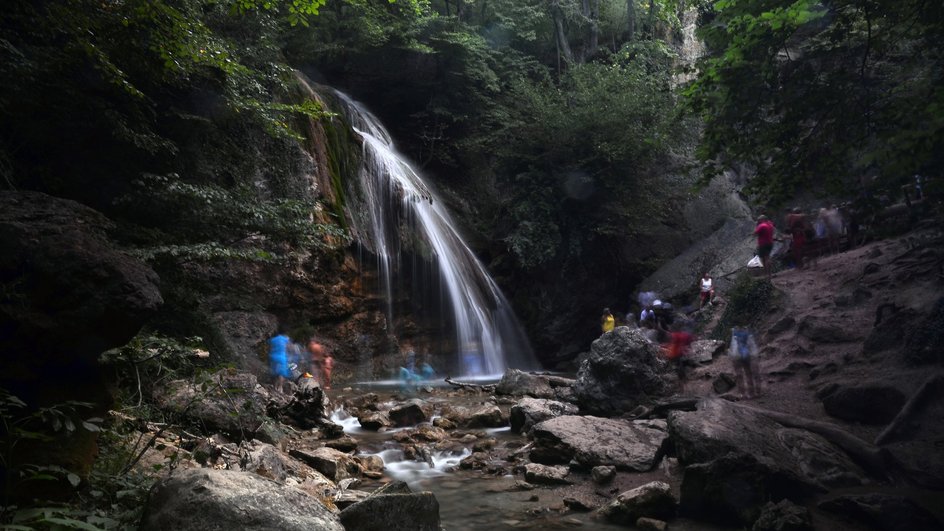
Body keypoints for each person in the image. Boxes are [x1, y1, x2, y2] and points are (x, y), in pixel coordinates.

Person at [729, 325, 760, 398]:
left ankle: (743, 393)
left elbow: (732, 346)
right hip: (744, 355)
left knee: (741, 374)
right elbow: (752, 346)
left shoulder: (735, 333)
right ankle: (751, 392)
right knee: (747, 373)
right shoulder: (746, 332)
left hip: (737, 356)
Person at [664, 325, 694, 393]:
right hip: (678, 354)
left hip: (674, 355)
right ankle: (684, 386)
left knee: (677, 370)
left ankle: (682, 388)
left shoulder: (675, 335)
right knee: (680, 369)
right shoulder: (682, 335)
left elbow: (673, 344)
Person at [269, 329, 292, 394]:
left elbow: (270, 348)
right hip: (282, 358)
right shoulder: (285, 339)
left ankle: (275, 387)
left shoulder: (273, 340)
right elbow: (289, 347)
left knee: (275, 373)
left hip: (273, 357)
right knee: (281, 373)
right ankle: (280, 388)